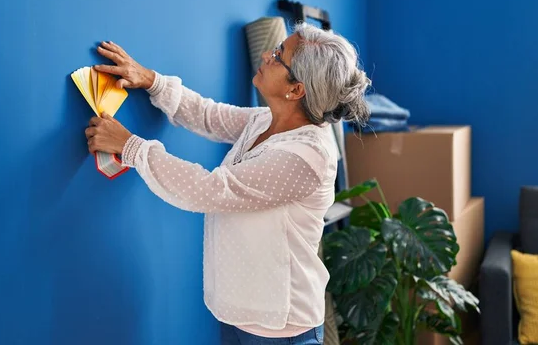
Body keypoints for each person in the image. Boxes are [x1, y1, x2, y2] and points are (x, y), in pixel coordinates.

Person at [85, 23, 371, 345]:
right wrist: (151, 80)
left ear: (296, 90)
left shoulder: (305, 156)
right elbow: (210, 116)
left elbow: (208, 190)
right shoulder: (267, 121)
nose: (266, 55)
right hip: (241, 315)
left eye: (279, 55)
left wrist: (132, 147)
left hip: (281, 329)